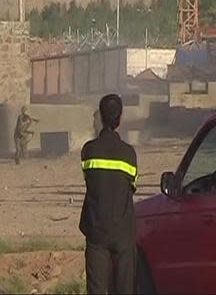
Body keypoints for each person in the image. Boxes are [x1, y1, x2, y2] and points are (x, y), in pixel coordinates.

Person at [80, 94, 138, 295]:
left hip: (96, 230)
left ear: (101, 117)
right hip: (123, 231)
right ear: (120, 118)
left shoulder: (88, 151)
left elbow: (90, 180)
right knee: (125, 287)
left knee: (96, 288)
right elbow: (131, 186)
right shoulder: (129, 154)